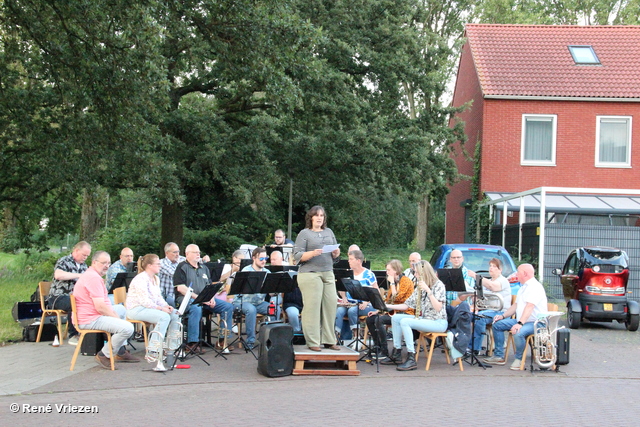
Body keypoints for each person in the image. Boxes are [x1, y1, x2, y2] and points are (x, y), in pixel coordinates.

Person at [73, 251, 139, 369]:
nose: (107, 266)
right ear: (94, 262)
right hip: (90, 319)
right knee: (128, 328)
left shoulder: (92, 275)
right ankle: (104, 355)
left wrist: (115, 314)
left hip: (92, 314)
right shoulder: (93, 278)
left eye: (108, 263)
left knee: (121, 309)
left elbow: (103, 305)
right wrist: (116, 318)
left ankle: (120, 351)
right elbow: (100, 307)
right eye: (103, 263)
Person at [381, 261, 447, 371]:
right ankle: (397, 352)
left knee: (405, 322)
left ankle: (411, 357)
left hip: (438, 322)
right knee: (397, 318)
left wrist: (428, 291)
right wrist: (386, 305)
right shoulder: (419, 286)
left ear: (424, 272)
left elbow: (438, 308)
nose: (415, 275)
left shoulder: (438, 285)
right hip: (426, 319)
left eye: (416, 272)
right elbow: (407, 305)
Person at [293, 205, 341, 352]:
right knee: (312, 307)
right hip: (310, 273)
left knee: (331, 304)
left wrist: (336, 252)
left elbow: (335, 255)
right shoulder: (304, 233)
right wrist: (312, 253)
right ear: (311, 217)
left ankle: (328, 340)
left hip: (328, 272)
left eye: (322, 215)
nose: (320, 218)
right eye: (317, 215)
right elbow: (297, 257)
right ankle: (313, 341)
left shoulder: (329, 232)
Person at [484, 263, 548, 370]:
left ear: (524, 273)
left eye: (518, 272)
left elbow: (530, 306)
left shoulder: (534, 287)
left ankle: (519, 359)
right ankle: (499, 356)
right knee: (497, 325)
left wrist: (520, 324)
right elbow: (516, 305)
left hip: (536, 322)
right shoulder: (523, 287)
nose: (516, 274)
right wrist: (503, 316)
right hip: (523, 321)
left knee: (517, 332)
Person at [174, 244, 235, 353]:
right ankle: (192, 343)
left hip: (205, 298)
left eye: (199, 252)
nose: (198, 254)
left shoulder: (204, 268)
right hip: (186, 299)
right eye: (195, 252)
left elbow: (209, 285)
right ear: (187, 254)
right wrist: (200, 298)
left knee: (227, 306)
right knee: (196, 307)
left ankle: (222, 340)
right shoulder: (182, 267)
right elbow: (181, 288)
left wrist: (211, 297)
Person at [125, 254, 180, 362]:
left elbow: (158, 297)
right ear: (150, 265)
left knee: (175, 313)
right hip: (136, 309)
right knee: (164, 317)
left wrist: (165, 306)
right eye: (158, 264)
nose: (160, 266)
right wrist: (160, 309)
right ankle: (153, 350)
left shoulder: (155, 278)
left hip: (148, 308)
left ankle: (171, 347)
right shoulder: (141, 278)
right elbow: (144, 301)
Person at [365, 259, 414, 359]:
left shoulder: (406, 281)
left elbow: (398, 297)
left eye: (388, 270)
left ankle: (384, 350)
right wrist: (377, 311)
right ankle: (377, 346)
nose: (386, 273)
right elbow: (388, 301)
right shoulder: (395, 282)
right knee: (370, 319)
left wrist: (391, 284)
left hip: (406, 312)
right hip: (394, 312)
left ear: (395, 270)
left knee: (380, 320)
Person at [48, 241, 92, 345]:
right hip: (58, 297)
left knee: (89, 302)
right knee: (75, 302)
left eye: (87, 256)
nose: (85, 257)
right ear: (76, 251)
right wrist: (78, 275)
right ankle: (73, 335)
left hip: (76, 296)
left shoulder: (84, 266)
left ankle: (88, 332)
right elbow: (58, 275)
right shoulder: (64, 261)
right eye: (84, 255)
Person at [469, 258, 512, 354]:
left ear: (500, 269)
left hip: (501, 312)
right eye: (490, 266)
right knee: (467, 315)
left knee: (480, 318)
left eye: (494, 266)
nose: (491, 268)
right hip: (488, 311)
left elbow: (492, 286)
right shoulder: (487, 281)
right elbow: (481, 297)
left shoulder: (503, 281)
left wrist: (476, 276)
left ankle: (475, 348)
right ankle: (463, 344)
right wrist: (475, 300)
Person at [335, 249, 378, 345]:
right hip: (350, 303)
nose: (348, 261)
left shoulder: (368, 274)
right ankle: (336, 337)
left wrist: (366, 302)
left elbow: (376, 291)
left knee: (352, 311)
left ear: (358, 261)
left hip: (366, 304)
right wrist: (344, 298)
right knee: (339, 311)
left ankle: (356, 336)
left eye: (351, 259)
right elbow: (341, 288)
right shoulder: (348, 273)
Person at [233, 247, 272, 350]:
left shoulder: (267, 272)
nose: (264, 261)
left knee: (273, 308)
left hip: (259, 302)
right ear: (254, 258)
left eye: (265, 258)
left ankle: (271, 338)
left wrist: (273, 291)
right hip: (242, 301)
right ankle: (251, 341)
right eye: (261, 259)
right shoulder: (246, 271)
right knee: (251, 310)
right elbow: (240, 290)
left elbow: (270, 293)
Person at [159, 242, 185, 307]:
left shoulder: (181, 259)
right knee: (170, 302)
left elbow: (193, 260)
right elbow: (174, 274)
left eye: (178, 252)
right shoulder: (161, 263)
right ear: (166, 253)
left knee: (192, 303)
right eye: (174, 252)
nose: (177, 254)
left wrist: (203, 259)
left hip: (181, 293)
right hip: (167, 295)